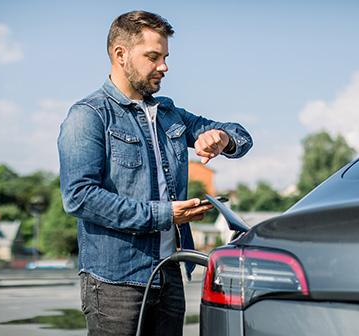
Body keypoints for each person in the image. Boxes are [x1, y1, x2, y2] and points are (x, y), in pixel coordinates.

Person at [58, 10, 252, 336]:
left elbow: (242, 137)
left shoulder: (169, 114)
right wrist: (165, 215)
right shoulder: (88, 116)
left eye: (165, 56)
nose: (164, 66)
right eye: (153, 56)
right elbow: (79, 198)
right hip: (114, 282)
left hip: (169, 272)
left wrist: (222, 138)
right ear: (120, 55)